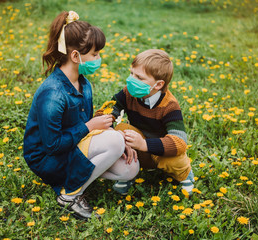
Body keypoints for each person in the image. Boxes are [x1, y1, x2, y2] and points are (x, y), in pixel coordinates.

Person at [23, 11, 139, 220]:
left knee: (130, 169)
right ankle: (70, 195)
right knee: (112, 141)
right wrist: (92, 128)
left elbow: (87, 125)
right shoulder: (53, 94)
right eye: (94, 54)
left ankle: (75, 178)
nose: (98, 59)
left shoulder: (83, 84)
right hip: (48, 159)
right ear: (75, 56)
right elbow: (52, 146)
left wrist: (119, 140)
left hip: (72, 146)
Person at [109, 49, 195, 196]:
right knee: (121, 129)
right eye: (131, 73)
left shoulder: (169, 106)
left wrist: (144, 144)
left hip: (160, 152)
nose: (131, 80)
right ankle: (128, 173)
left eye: (139, 78)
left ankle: (185, 175)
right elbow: (109, 108)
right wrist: (107, 123)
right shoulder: (128, 93)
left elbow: (180, 142)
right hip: (137, 149)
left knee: (177, 158)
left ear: (158, 85)